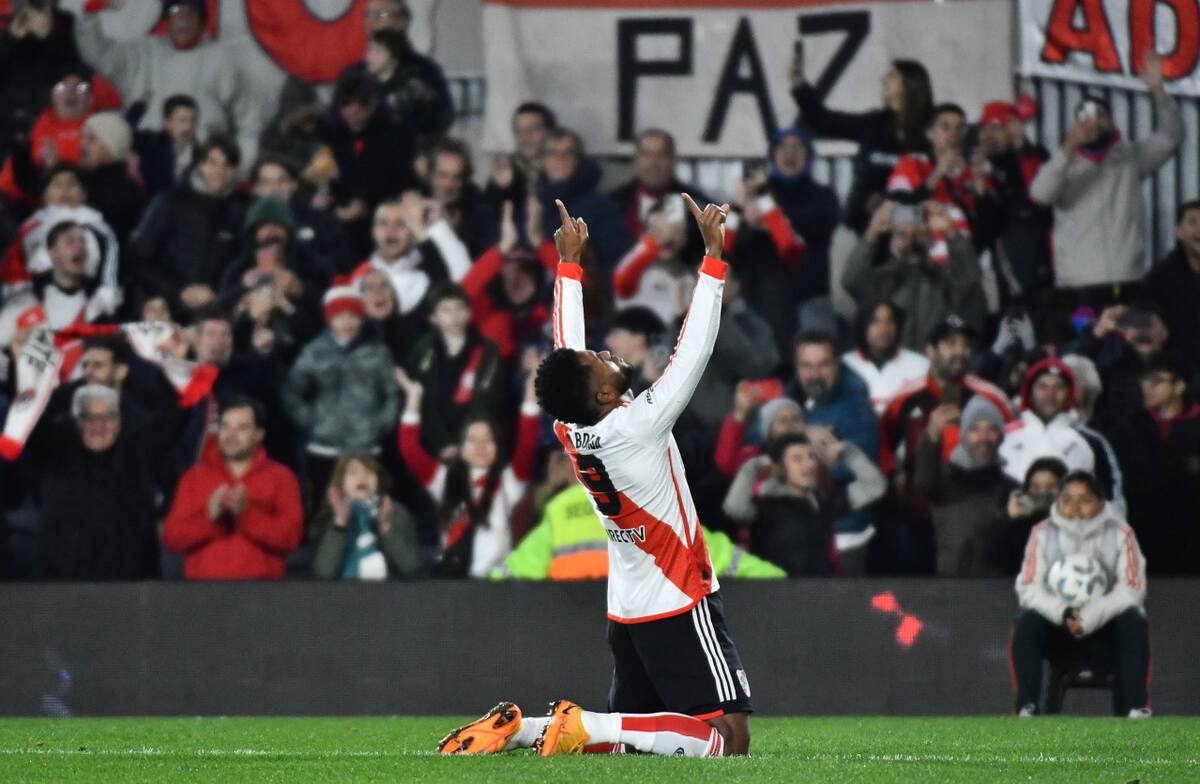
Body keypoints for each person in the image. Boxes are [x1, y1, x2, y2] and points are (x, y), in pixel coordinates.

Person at [441, 197, 749, 757]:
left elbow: (566, 349)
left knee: (636, 741)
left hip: (626, 602)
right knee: (728, 741)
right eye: (601, 362)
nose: (604, 352)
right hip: (677, 596)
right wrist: (712, 260)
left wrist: (569, 268)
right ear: (605, 393)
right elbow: (694, 352)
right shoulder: (639, 425)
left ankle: (523, 729)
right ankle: (583, 725)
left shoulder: (570, 424)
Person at [1030, 53, 1182, 304]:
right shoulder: (1065, 163)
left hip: (1127, 279)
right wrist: (1069, 147)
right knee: (1083, 342)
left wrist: (1159, 92)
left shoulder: (1130, 157)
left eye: (1102, 116)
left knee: (1125, 342)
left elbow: (1171, 137)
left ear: (1112, 122)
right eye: (1088, 117)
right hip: (1077, 285)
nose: (1095, 123)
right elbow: (1040, 194)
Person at [1011, 471, 1150, 717]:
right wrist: (1064, 613)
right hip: (1059, 629)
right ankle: (1026, 707)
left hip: (1106, 630)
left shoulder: (1121, 534)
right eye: (1067, 499)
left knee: (1134, 620)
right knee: (1026, 622)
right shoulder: (1042, 533)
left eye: (1084, 500)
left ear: (1100, 503)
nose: (1075, 508)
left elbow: (1131, 590)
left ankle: (1135, 708)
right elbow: (1028, 588)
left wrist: (1088, 617)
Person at [71, 0, 261, 174]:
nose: (183, 19)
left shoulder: (223, 60)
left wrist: (238, 171)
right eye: (176, 11)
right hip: (143, 171)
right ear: (167, 20)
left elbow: (249, 126)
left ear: (202, 21)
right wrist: (90, 14)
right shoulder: (143, 53)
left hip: (204, 173)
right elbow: (99, 54)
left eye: (191, 13)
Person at [20, 381, 186, 579]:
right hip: (65, 586)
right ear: (76, 422)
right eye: (89, 417)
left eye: (107, 417)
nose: (98, 426)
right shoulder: (58, 451)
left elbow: (172, 420)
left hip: (128, 585)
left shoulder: (138, 450)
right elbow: (29, 421)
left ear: (119, 421)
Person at [396, 364, 538, 579]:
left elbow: (528, 440)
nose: (480, 446)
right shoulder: (444, 480)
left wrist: (531, 389)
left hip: (498, 583)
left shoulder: (509, 480)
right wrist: (414, 397)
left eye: (487, 440)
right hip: (454, 583)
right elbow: (409, 449)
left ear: (497, 447)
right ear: (460, 449)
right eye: (472, 440)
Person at [495, 482, 785, 581]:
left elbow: (514, 572)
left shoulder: (564, 506)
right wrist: (787, 586)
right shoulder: (655, 501)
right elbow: (719, 557)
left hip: (569, 627)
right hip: (643, 624)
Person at [282, 281, 400, 500]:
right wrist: (312, 421)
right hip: (322, 447)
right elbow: (291, 392)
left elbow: (392, 394)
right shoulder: (314, 351)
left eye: (352, 315)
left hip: (366, 447)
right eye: (339, 316)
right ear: (329, 319)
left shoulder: (378, 353)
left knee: (368, 508)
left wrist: (379, 425)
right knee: (323, 509)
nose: (346, 322)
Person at [163, 397, 304, 580]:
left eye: (242, 428)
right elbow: (172, 539)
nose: (230, 435)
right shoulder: (193, 477)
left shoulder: (282, 478)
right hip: (203, 596)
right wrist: (209, 518)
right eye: (225, 426)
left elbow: (291, 539)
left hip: (261, 595)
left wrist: (247, 515)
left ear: (259, 434)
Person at [729, 127, 840, 354]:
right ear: (772, 155)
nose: (790, 153)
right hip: (761, 300)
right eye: (783, 147)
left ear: (808, 156)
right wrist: (738, 208)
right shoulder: (754, 195)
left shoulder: (823, 196)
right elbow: (729, 247)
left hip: (809, 297)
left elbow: (811, 226)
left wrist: (768, 218)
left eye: (797, 147)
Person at [791, 58, 933, 233]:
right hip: (859, 231)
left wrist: (893, 213)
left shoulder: (930, 132)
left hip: (908, 239)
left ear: (910, 85)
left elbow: (931, 211)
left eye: (892, 76)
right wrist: (800, 87)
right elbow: (824, 121)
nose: (884, 80)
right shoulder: (874, 123)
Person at [724, 430, 885, 577]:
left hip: (814, 596)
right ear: (779, 468)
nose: (809, 464)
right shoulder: (766, 507)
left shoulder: (823, 502)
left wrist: (848, 452)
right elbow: (734, 508)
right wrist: (753, 467)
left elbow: (874, 487)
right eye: (797, 459)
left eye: (811, 456)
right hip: (772, 596)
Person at [786, 330, 879, 573]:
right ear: (796, 367)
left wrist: (799, 454)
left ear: (837, 364)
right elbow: (757, 438)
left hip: (845, 534)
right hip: (797, 532)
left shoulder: (856, 407)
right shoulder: (789, 397)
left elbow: (859, 463)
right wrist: (803, 431)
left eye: (823, 365)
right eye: (807, 366)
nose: (814, 374)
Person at [842, 200, 986, 350]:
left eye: (919, 234)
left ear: (931, 240)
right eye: (902, 235)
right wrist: (873, 231)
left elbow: (969, 280)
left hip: (932, 367)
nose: (911, 240)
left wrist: (950, 233)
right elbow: (852, 281)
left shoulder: (943, 280)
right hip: (891, 364)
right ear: (892, 242)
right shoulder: (882, 279)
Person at [128, 135, 246, 318]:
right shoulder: (169, 203)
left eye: (227, 165)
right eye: (212, 162)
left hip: (213, 314)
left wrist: (216, 293)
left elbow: (239, 266)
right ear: (200, 164)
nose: (219, 171)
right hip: (163, 309)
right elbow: (139, 259)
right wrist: (179, 292)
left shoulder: (238, 213)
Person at [1111, 351, 1200, 575]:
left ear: (1179, 386)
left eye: (1156, 381)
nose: (1147, 388)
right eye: (1145, 381)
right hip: (1145, 524)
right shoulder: (1135, 424)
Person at [323, 71, 418, 257]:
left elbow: (399, 179)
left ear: (374, 104)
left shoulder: (395, 134)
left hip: (384, 219)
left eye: (361, 108)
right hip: (340, 224)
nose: (353, 115)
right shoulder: (332, 136)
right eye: (346, 107)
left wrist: (366, 203)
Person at [405, 283, 505, 459]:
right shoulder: (422, 350)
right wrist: (442, 443)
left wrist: (468, 443)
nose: (454, 316)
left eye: (460, 308)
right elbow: (424, 404)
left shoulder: (487, 350)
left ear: (469, 312)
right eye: (445, 310)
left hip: (475, 444)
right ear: (433, 318)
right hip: (432, 445)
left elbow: (487, 400)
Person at [914, 395, 1009, 576]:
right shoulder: (947, 483)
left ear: (1000, 436)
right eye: (975, 429)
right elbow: (924, 480)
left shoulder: (1009, 489)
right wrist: (932, 436)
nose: (984, 438)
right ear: (963, 435)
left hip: (997, 590)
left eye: (991, 429)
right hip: (952, 588)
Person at [973, 100, 1053, 311]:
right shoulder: (980, 169)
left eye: (997, 128)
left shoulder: (1034, 159)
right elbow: (986, 227)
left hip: (1040, 270)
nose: (989, 135)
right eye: (984, 128)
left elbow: (1041, 204)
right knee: (1014, 328)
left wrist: (1021, 150)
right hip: (1006, 275)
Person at [0, 221, 114, 356]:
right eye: (70, 242)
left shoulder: (99, 305)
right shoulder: (26, 303)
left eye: (82, 241)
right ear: (52, 253)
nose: (79, 247)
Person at [349, 195, 472, 316]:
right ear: (373, 232)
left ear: (413, 230)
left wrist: (437, 224)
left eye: (401, 223)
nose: (391, 230)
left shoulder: (429, 272)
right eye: (383, 223)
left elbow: (464, 277)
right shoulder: (359, 277)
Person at [312, 452, 420, 580]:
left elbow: (411, 567)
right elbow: (323, 572)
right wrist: (340, 523)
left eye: (369, 472)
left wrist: (386, 528)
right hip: (340, 595)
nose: (362, 477)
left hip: (388, 593)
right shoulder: (329, 515)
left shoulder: (395, 512)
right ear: (340, 482)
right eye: (353, 472)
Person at [536, 128, 632, 269]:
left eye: (568, 153)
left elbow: (619, 261)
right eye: (552, 153)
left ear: (578, 160)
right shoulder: (533, 204)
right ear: (542, 161)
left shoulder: (600, 208)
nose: (560, 159)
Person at [0, 1, 85, 156]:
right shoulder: (6, 28)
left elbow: (74, 70)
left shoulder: (63, 25)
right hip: (6, 122)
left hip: (47, 120)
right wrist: (10, 37)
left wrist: (49, 37)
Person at [609, 129, 708, 245]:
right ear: (636, 159)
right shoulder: (612, 203)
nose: (653, 163)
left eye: (661, 155)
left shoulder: (697, 205)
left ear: (672, 160)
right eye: (647, 154)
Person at [842, 300, 929, 415]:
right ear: (863, 326)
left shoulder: (921, 364)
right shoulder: (844, 364)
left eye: (890, 321)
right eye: (875, 321)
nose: (884, 329)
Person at [364, 27, 453, 140]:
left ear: (393, 58)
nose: (369, 57)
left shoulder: (413, 88)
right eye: (369, 50)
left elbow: (438, 118)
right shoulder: (363, 87)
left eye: (377, 51)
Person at [986, 457, 1067, 575]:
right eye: (1036, 487)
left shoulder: (1077, 522)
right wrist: (1009, 519)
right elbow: (992, 559)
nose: (1043, 493)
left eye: (1050, 487)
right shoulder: (1018, 524)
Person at [1143, 200, 1200, 363]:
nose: (1199, 229)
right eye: (1192, 222)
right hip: (1177, 364)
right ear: (1179, 232)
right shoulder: (1162, 274)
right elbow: (1140, 308)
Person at [423, 138, 498, 256]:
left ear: (465, 180)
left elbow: (483, 261)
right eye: (442, 175)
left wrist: (453, 232)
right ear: (429, 175)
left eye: (456, 177)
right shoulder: (414, 208)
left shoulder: (482, 215)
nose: (448, 184)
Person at [78, 111, 143, 243]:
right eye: (83, 138)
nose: (82, 145)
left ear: (111, 146)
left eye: (91, 139)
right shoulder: (77, 179)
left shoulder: (127, 192)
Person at [714, 394, 806, 480]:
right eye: (783, 421)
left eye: (796, 419)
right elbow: (727, 462)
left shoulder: (812, 452)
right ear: (769, 430)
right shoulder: (756, 457)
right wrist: (739, 416)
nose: (791, 425)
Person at [129, 94, 198, 198]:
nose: (188, 127)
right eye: (182, 120)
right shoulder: (152, 143)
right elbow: (123, 134)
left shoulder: (202, 154)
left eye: (193, 120)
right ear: (166, 123)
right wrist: (138, 108)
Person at [602, 306, 666, 397]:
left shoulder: (665, 376)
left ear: (639, 338)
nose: (608, 342)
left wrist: (647, 383)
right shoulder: (623, 379)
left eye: (616, 335)